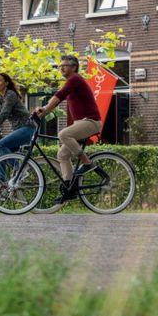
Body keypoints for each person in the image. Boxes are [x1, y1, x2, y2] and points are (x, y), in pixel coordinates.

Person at [32, 54, 105, 205]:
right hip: (81, 122)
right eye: (60, 66)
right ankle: (69, 188)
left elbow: (58, 96)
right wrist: (43, 113)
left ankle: (86, 163)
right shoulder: (71, 82)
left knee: (63, 134)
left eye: (64, 65)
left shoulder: (75, 79)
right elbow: (58, 99)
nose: (61, 68)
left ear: (74, 67)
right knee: (62, 154)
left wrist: (44, 109)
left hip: (91, 121)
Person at [0, 73, 33, 180]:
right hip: (18, 129)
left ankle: (19, 170)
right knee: (1, 157)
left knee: (0, 145)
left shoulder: (10, 94)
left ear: (6, 83)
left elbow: (4, 113)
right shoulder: (0, 97)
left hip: (27, 128)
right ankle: (1, 188)